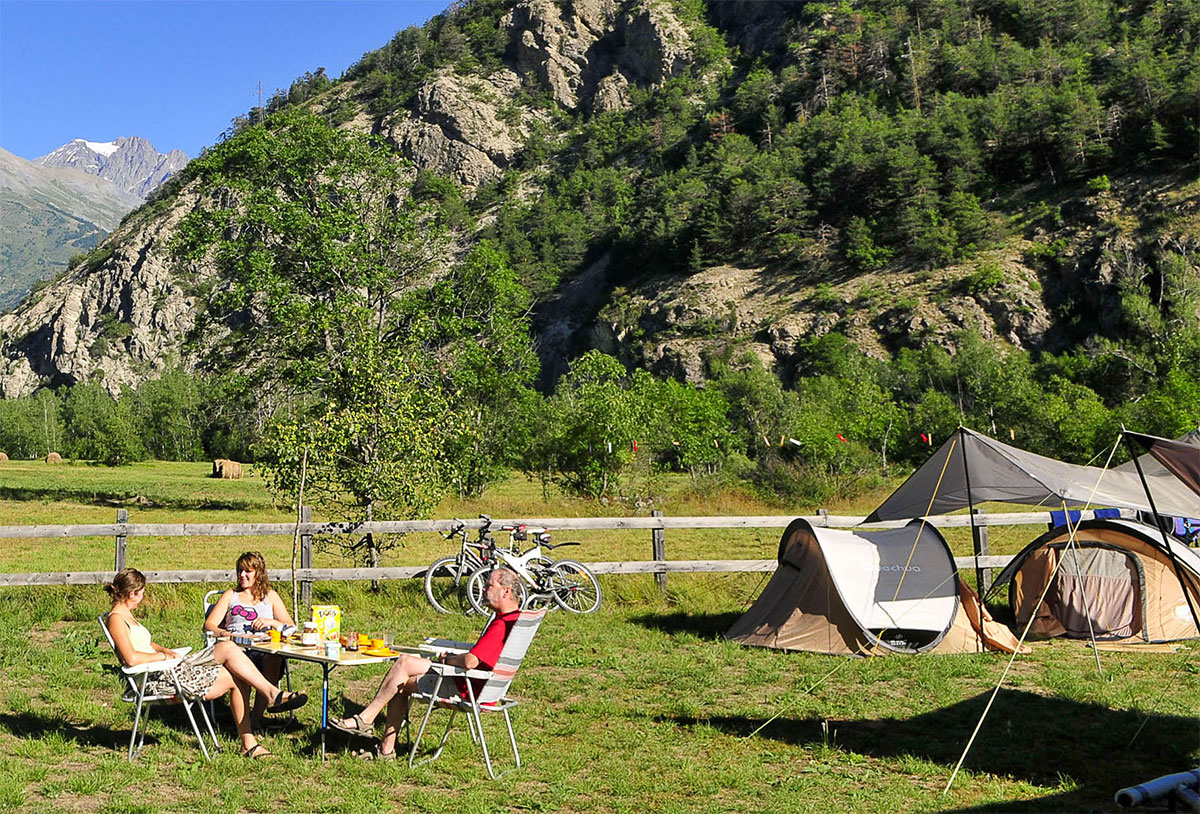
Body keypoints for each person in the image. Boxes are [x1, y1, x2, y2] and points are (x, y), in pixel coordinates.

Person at [105, 568, 307, 759]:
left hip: (167, 669)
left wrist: (165, 650)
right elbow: (130, 658)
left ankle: (250, 740)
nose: (142, 598)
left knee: (235, 668)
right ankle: (269, 699)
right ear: (131, 594)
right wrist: (163, 658)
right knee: (228, 650)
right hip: (155, 679)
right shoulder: (116, 619)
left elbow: (144, 644)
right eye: (141, 593)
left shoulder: (126, 616)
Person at [331, 567, 523, 760]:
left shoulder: (501, 625)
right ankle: (382, 745)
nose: (483, 590)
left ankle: (368, 723)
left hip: (467, 688)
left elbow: (471, 661)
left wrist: (448, 659)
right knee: (403, 667)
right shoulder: (515, 620)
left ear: (505, 591)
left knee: (402, 672)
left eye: (489, 585)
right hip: (486, 688)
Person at [204, 551, 296, 731]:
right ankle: (253, 718)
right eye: (239, 571)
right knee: (240, 663)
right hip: (236, 650)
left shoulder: (271, 596)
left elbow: (290, 626)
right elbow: (209, 625)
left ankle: (256, 718)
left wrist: (272, 622)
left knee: (275, 657)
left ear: (258, 573)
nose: (242, 575)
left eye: (247, 571)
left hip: (264, 648)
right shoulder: (231, 595)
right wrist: (227, 634)